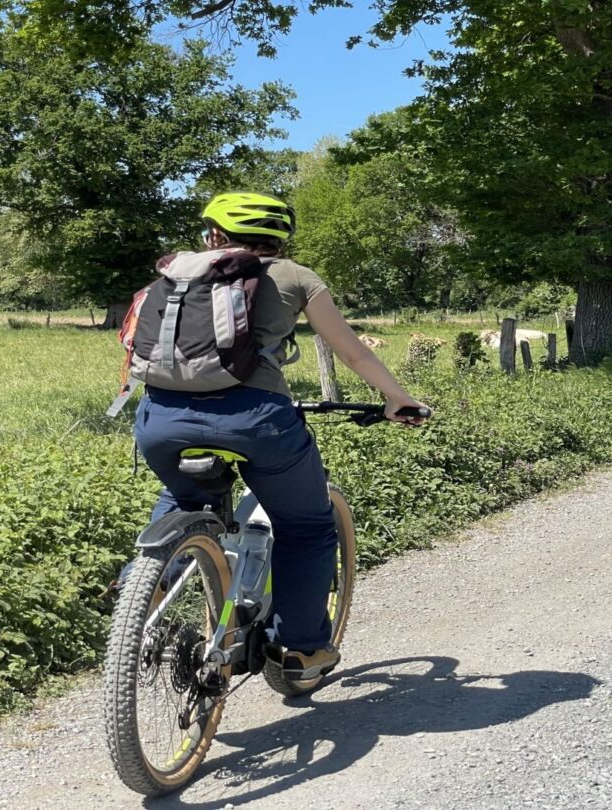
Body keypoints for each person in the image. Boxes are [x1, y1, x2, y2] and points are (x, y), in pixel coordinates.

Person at [132, 192, 428, 682]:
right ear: (278, 238)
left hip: (161, 420)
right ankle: (302, 650)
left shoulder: (174, 276)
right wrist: (397, 397)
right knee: (307, 527)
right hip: (256, 420)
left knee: (182, 496)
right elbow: (353, 353)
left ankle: (140, 593)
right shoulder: (296, 277)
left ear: (214, 235)